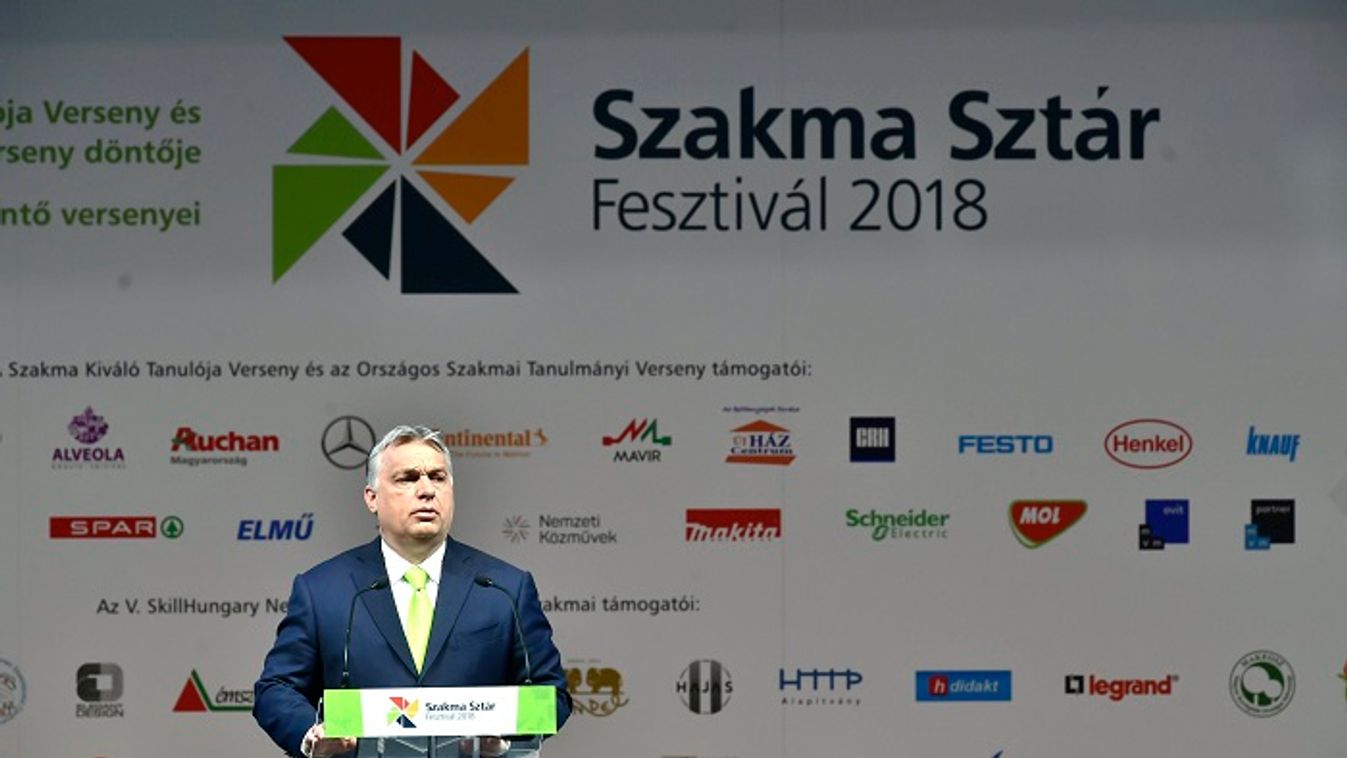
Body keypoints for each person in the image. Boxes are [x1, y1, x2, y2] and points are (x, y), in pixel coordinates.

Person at [254, 425, 571, 757]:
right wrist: (312, 736)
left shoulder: (505, 587)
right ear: (372, 498)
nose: (427, 490)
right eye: (407, 478)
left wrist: (506, 735)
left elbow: (551, 693)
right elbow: (277, 688)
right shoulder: (323, 590)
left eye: (438, 477)